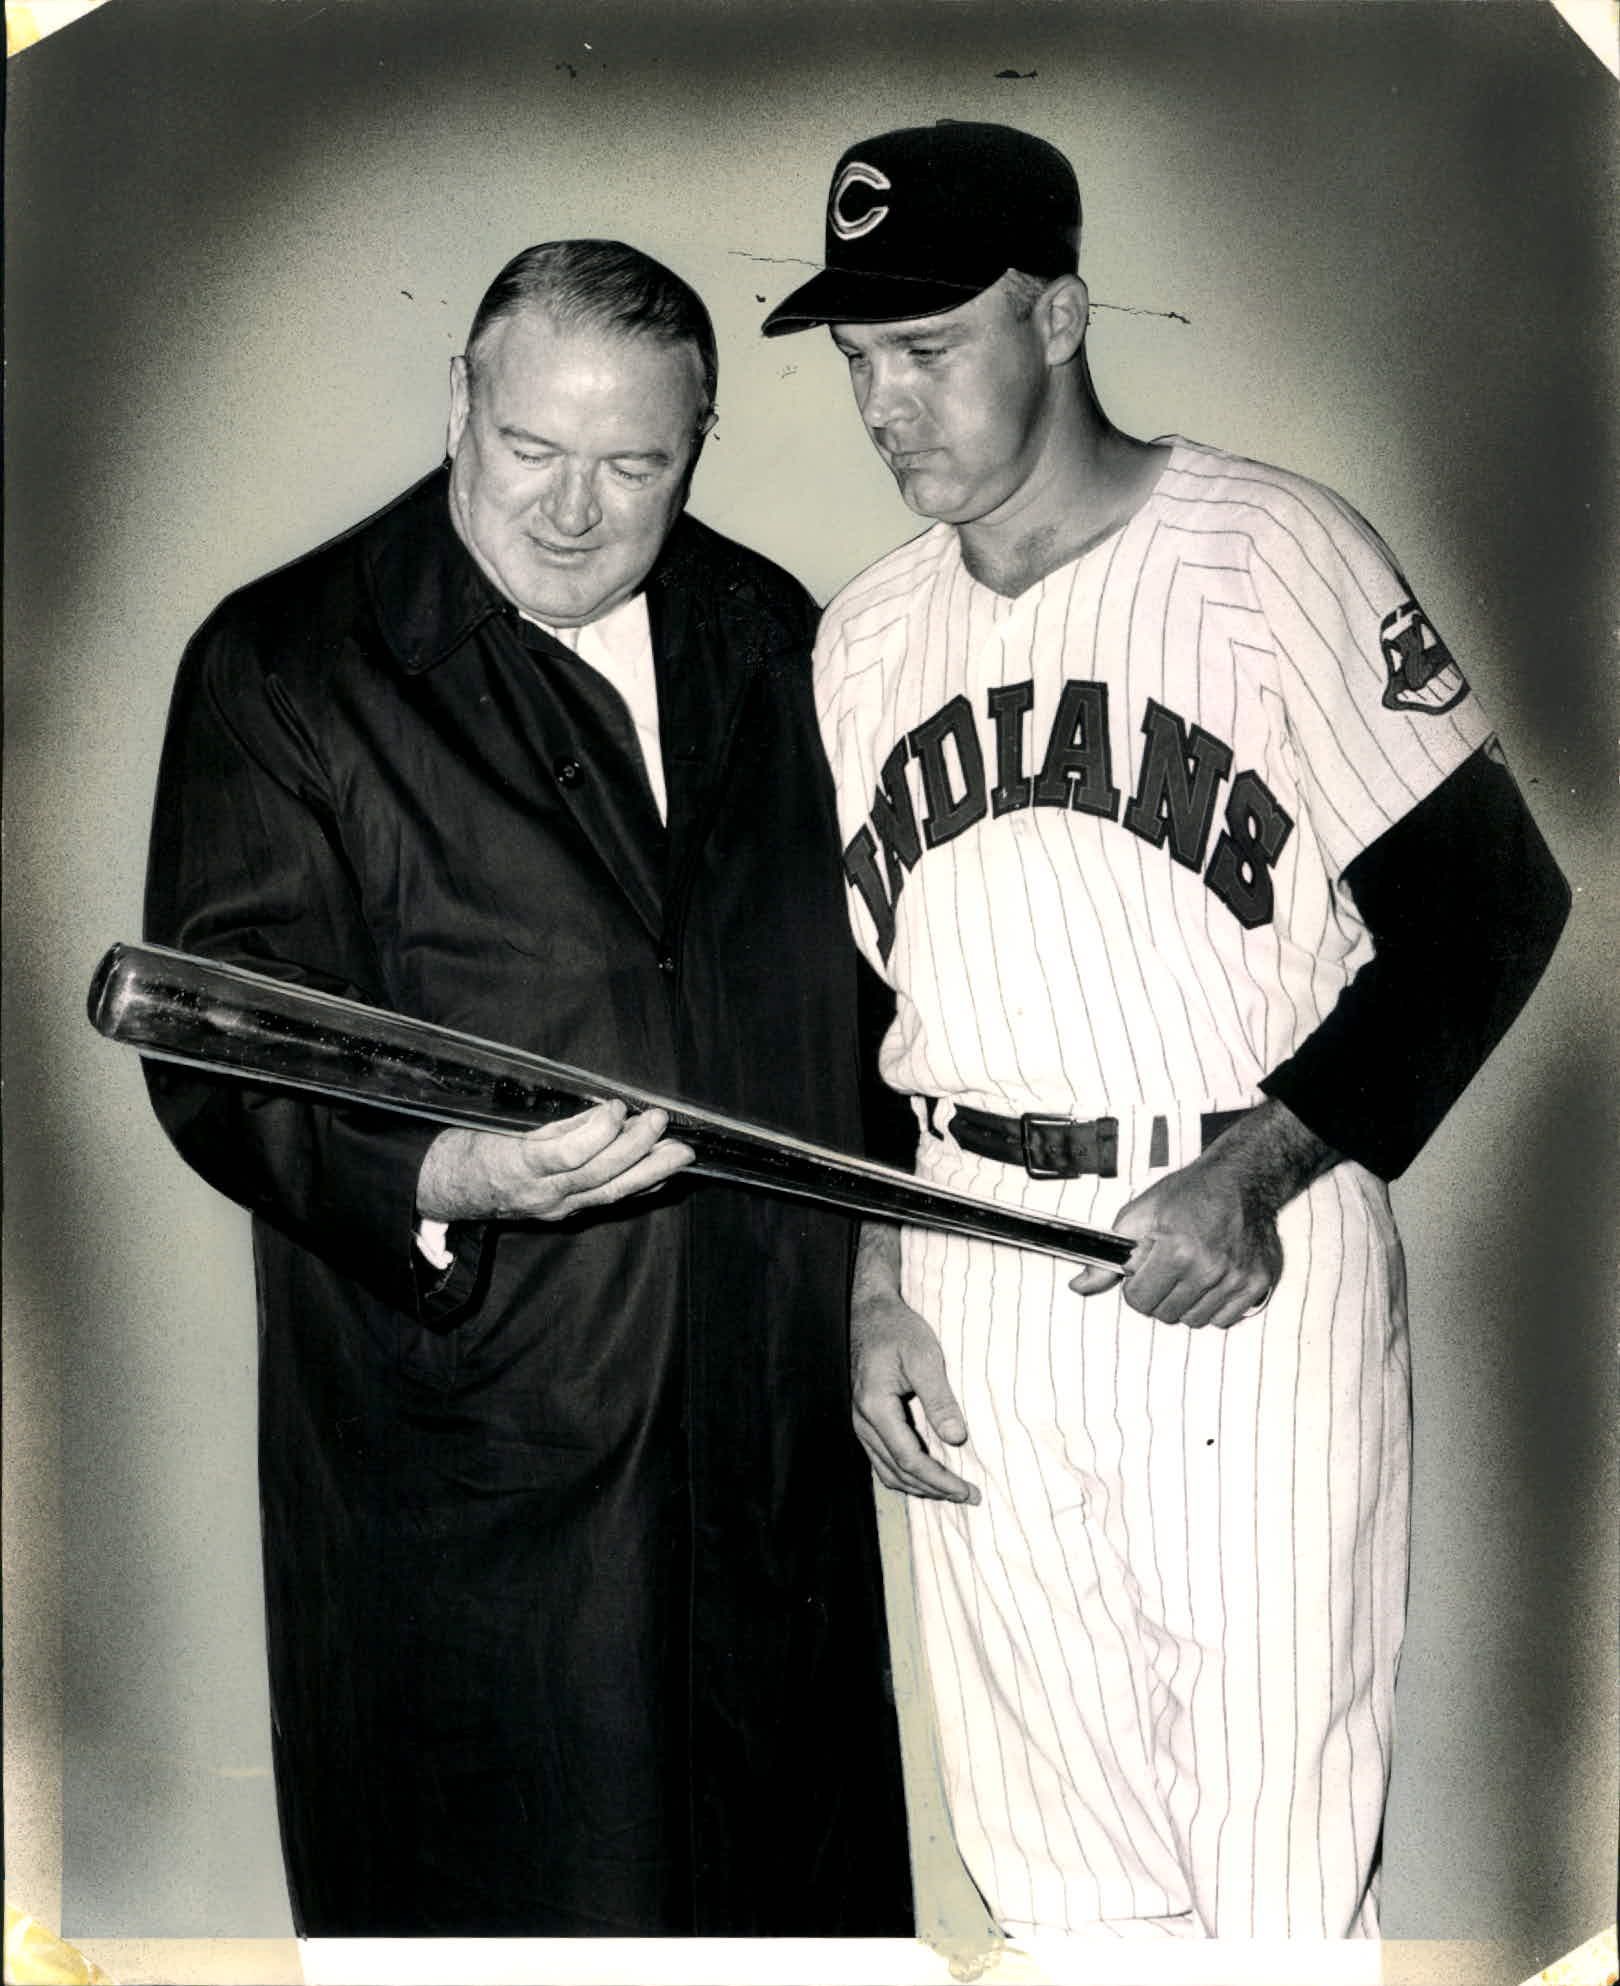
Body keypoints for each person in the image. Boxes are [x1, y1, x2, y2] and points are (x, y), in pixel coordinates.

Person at [762, 122, 1569, 1942]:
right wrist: (875, 1277)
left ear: (1057, 314)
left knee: (1271, 1862)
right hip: (968, 1257)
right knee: (1055, 1869)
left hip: (1236, 1250)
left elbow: (1493, 909)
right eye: (857, 360)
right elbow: (865, 1012)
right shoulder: (864, 642)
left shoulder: (1270, 552)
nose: (887, 405)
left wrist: (1266, 1167)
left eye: (929, 346)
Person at [143, 239, 912, 1937]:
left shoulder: (770, 630)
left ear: (697, 443)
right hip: (474, 1488)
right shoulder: (281, 665)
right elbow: (217, 1064)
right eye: (531, 452)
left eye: (633, 464)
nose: (575, 510)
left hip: (764, 1460)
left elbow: (858, 1011)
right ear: (457, 407)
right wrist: (448, 1176)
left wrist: (875, 1274)